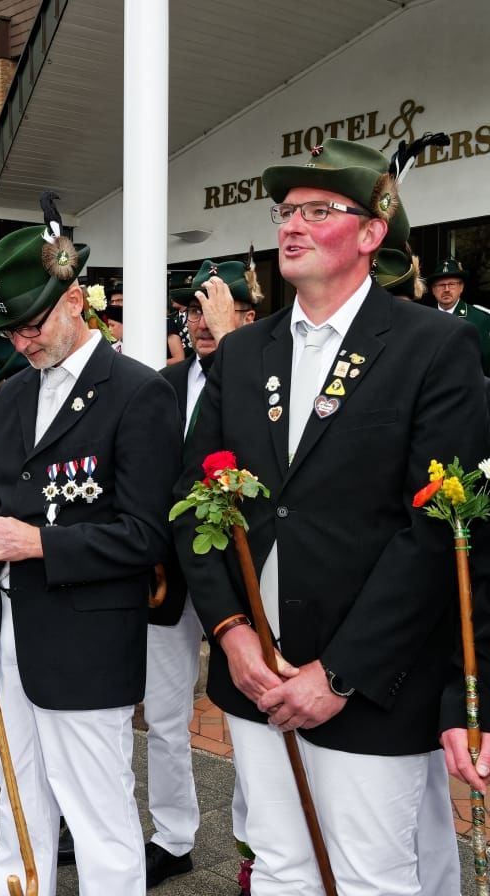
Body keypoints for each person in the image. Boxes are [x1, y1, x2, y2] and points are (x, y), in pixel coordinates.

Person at [175, 137, 486, 895]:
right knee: (280, 866)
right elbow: (192, 503)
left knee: (371, 877)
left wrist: (339, 675)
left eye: (319, 210)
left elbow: (439, 533)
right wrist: (231, 634)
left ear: (373, 232)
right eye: (286, 211)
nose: (292, 224)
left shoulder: (434, 347)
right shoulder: (241, 354)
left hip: (373, 679)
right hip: (257, 674)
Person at [0, 223, 181, 896]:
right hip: (6, 631)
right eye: (10, 331)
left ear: (74, 299)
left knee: (98, 814)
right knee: (16, 803)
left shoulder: (139, 391)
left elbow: (148, 535)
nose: (21, 343)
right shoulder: (14, 392)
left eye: (32, 325)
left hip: (86, 640)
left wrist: (38, 543)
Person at [147, 258, 259, 888]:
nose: (201, 321)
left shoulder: (264, 376)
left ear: (247, 316)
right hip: (170, 571)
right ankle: (172, 836)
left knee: (249, 718)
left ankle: (257, 848)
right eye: (192, 311)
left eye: (217, 309)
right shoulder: (163, 384)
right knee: (164, 715)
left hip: (238, 573)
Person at [428, 257, 490, 374]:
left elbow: (487, 365)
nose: (446, 289)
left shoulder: (480, 319)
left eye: (452, 284)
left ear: (461, 287)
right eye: (441, 285)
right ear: (433, 290)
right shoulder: (424, 317)